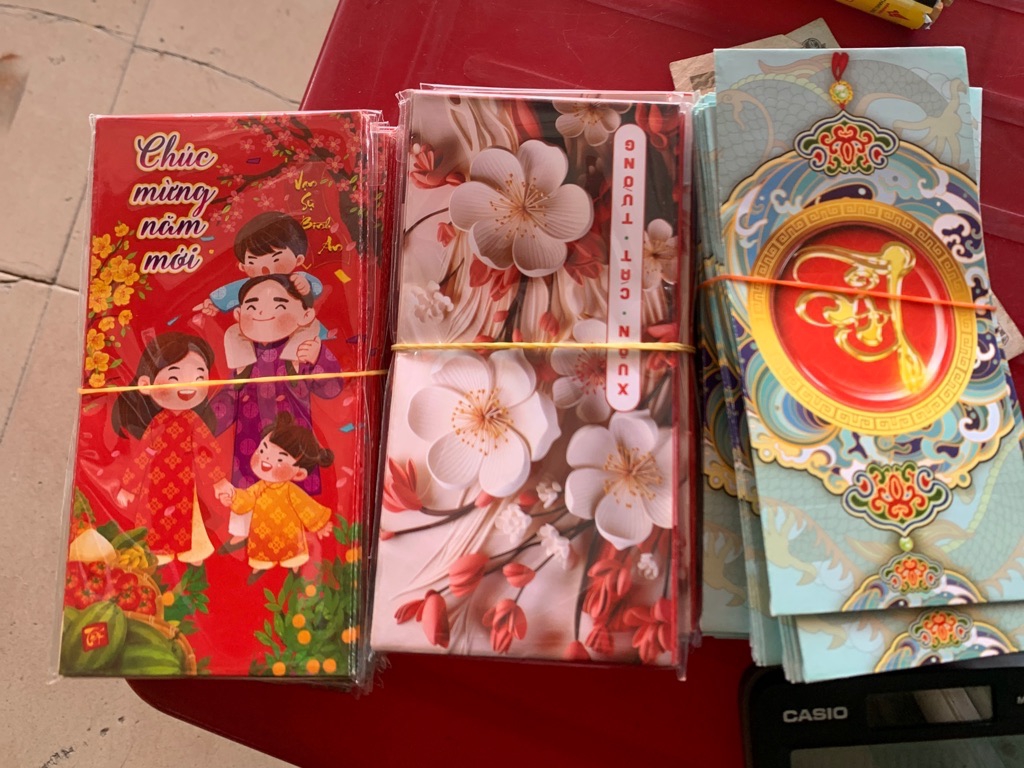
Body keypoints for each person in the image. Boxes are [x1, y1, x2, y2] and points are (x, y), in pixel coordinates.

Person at [209, 274, 342, 548]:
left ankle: (303, 529)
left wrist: (318, 358)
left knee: (294, 481)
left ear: (306, 315)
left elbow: (331, 389)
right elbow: (230, 395)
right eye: (252, 306)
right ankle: (242, 531)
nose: (262, 313)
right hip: (250, 435)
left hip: (291, 435)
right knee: (248, 479)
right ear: (238, 315)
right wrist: (207, 423)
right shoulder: (244, 357)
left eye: (279, 305)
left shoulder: (302, 351)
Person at [112, 332, 231, 566]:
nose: (188, 387)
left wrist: (218, 481)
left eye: (199, 377)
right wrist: (129, 487)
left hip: (185, 480)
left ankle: (192, 551)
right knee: (155, 516)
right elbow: (142, 456)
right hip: (155, 481)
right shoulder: (157, 424)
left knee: (188, 516)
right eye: (174, 377)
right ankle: (158, 551)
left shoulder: (194, 422)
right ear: (145, 385)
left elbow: (205, 453)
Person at [193, 211, 327, 370]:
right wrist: (214, 304)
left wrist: (304, 286)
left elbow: (316, 289)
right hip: (257, 329)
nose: (265, 268)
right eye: (253, 261)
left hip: (292, 324)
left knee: (311, 326)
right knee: (233, 333)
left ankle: (293, 361)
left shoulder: (296, 279)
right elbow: (227, 294)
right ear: (242, 266)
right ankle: (243, 368)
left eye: (276, 259)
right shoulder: (249, 286)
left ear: (298, 259)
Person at [219, 412, 334, 573]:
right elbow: (247, 499)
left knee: (292, 553)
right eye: (263, 450)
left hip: (289, 533)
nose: (266, 460)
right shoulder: (259, 487)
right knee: (261, 552)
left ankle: (294, 565)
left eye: (280, 460)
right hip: (262, 532)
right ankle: (261, 566)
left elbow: (306, 507)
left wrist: (320, 524)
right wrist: (234, 497)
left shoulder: (291, 491)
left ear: (299, 473)